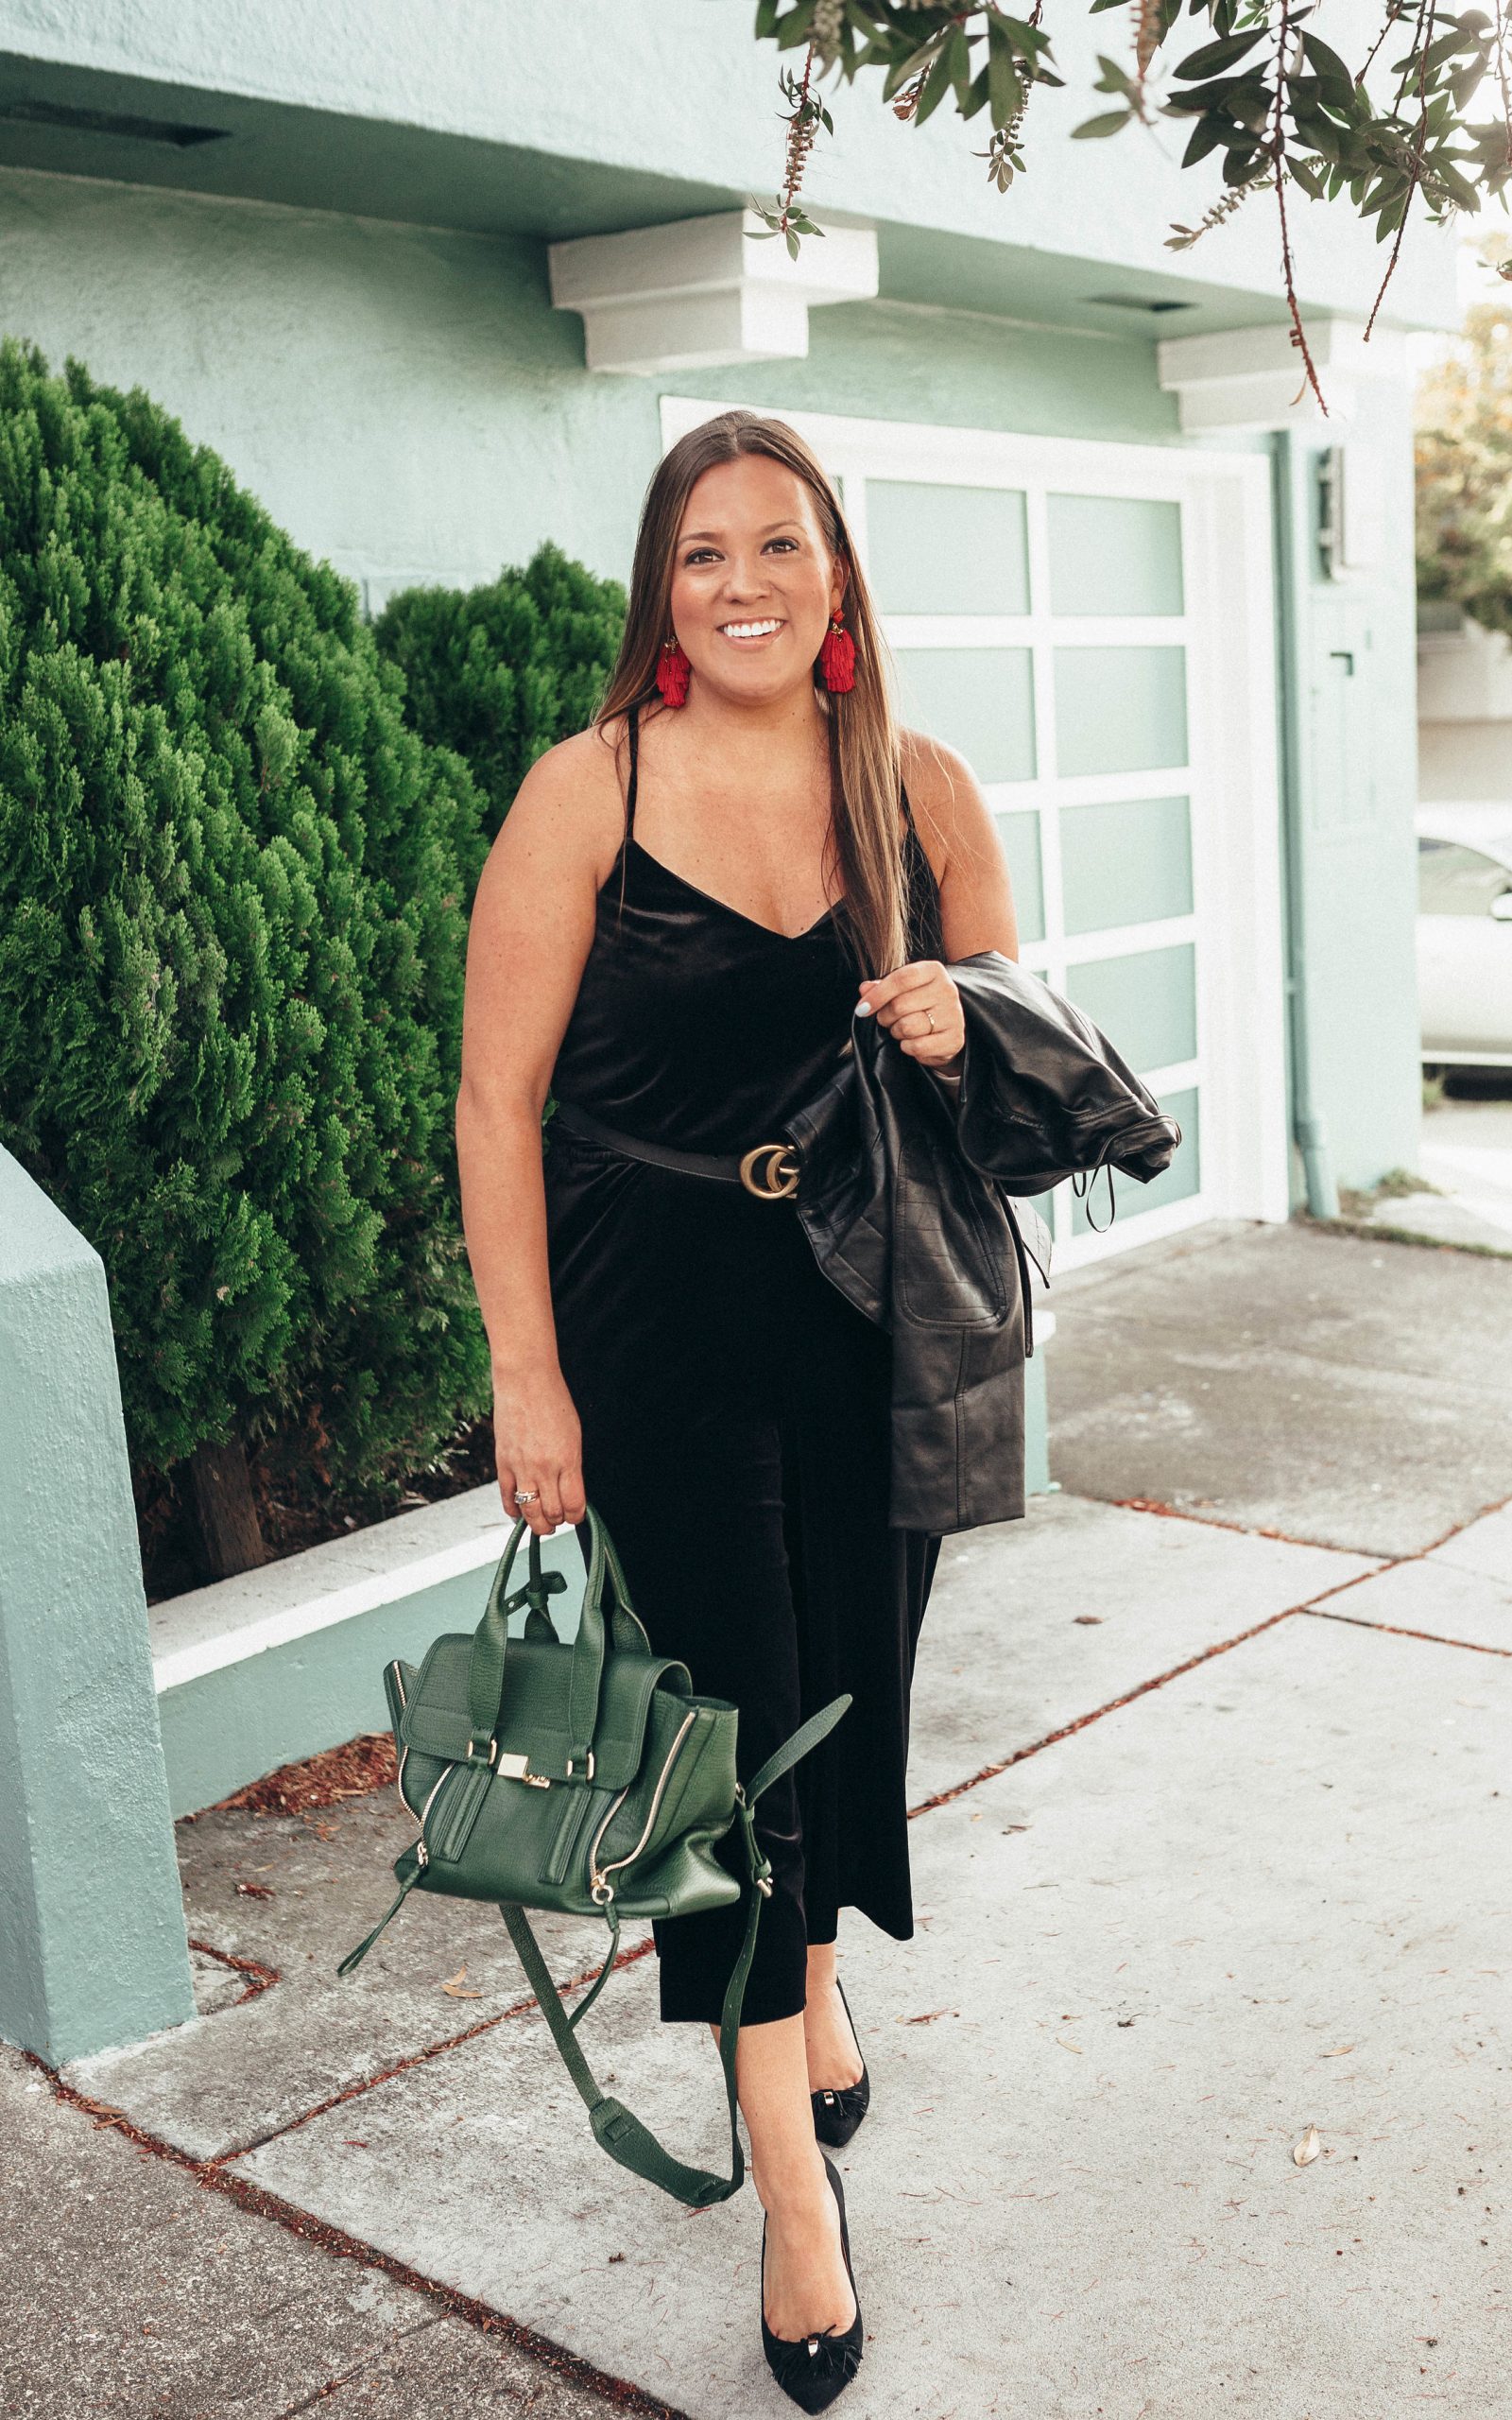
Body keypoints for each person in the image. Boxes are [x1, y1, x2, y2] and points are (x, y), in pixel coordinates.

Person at [456, 407, 1019, 2411]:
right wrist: (526, 1373)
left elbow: (1014, 1074)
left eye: (781, 542)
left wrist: (960, 1024)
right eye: (704, 552)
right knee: (728, 1752)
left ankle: (815, 1995)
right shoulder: (587, 786)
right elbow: (496, 1102)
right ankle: (792, 2192)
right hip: (657, 1324)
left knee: (848, 1690)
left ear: (836, 573)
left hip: (877, 1317)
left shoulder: (921, 788)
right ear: (663, 591)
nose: (745, 581)